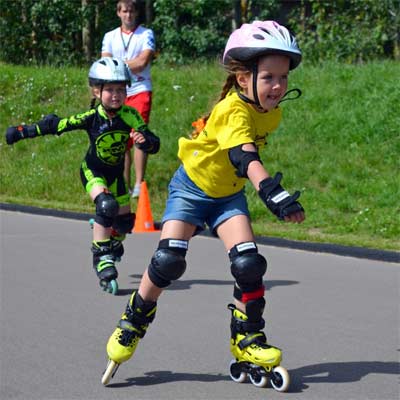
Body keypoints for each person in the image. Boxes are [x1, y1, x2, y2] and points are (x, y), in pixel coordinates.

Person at [101, 21, 305, 391]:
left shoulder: (270, 111)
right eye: (269, 77)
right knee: (169, 261)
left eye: (283, 77)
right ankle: (133, 321)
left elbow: (243, 158)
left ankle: (248, 338)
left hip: (227, 196)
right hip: (192, 190)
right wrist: (272, 192)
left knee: (249, 264)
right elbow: (245, 156)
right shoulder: (232, 110)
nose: (277, 86)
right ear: (244, 78)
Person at [5, 57, 160, 295]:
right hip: (93, 171)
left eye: (121, 90)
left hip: (116, 175)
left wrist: (146, 141)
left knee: (124, 224)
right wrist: (22, 132)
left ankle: (109, 236)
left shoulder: (131, 115)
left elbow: (153, 142)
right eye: (110, 90)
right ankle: (102, 257)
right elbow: (56, 125)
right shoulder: (91, 117)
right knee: (106, 206)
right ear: (96, 91)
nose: (116, 95)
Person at [101, 0, 156, 198]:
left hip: (140, 88)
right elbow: (105, 62)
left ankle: (139, 182)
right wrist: (124, 64)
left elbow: (142, 62)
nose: (128, 15)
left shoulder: (146, 34)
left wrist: (118, 64)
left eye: (131, 11)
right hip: (119, 91)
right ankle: (122, 184)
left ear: (136, 13)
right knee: (120, 138)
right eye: (124, 11)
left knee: (138, 134)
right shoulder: (110, 37)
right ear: (118, 13)